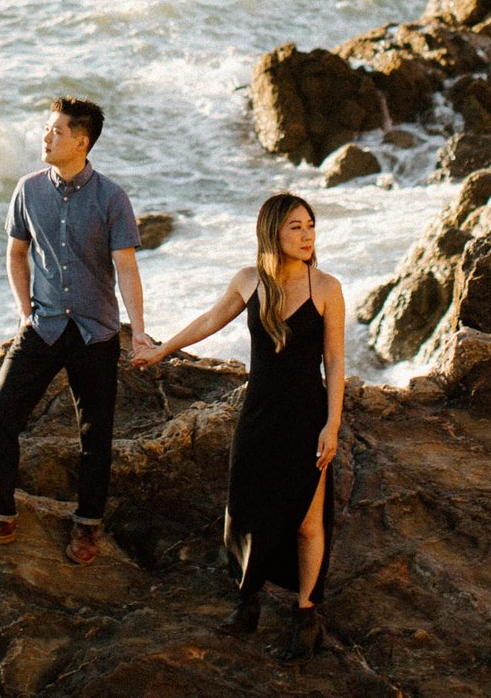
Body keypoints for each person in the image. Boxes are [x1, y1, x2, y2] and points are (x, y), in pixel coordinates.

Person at [0, 96, 157, 566]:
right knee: (1, 411)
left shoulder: (111, 198)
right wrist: (24, 310)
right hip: (42, 325)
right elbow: (16, 253)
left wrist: (138, 332)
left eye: (56, 131)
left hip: (95, 332)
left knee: (95, 433)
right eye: (46, 129)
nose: (46, 137)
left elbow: (126, 267)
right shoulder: (28, 189)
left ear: (81, 142)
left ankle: (87, 526)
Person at [136, 192, 344, 663]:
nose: (307, 234)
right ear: (272, 231)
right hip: (259, 415)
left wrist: (332, 424)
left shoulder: (327, 288)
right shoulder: (250, 282)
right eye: (295, 226)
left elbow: (334, 360)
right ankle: (247, 601)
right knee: (246, 509)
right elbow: (210, 320)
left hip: (307, 418)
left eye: (310, 225)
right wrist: (160, 349)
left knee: (308, 522)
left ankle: (307, 615)